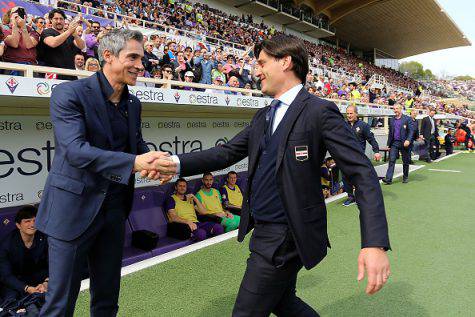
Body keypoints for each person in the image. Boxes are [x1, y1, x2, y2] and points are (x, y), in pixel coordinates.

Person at [150, 35, 391, 316]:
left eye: (262, 63)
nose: (256, 70)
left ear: (285, 61)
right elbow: (226, 153)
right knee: (283, 302)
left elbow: (362, 173)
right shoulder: (263, 116)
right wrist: (174, 162)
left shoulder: (319, 111)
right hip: (263, 231)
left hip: (287, 234)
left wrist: (374, 242)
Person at [35, 29, 173, 317]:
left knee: (107, 300)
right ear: (107, 56)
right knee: (59, 305)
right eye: (133, 57)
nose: (140, 64)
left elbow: (136, 144)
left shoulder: (133, 103)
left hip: (113, 211)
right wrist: (136, 162)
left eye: (142, 58)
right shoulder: (69, 93)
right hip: (72, 212)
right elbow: (75, 151)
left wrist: (156, 162)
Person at [0, 206, 48, 301]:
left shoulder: (45, 238)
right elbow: (6, 276)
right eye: (27, 221)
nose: (32, 224)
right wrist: (27, 288)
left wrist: (46, 283)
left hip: (41, 280)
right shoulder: (6, 245)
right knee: (11, 302)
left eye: (35, 220)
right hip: (16, 282)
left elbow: (53, 264)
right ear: (18, 225)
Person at [342, 105, 381, 206]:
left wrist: (376, 151)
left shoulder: (363, 125)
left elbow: (371, 139)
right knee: (345, 176)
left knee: (359, 177)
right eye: (348, 113)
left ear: (356, 113)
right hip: (345, 156)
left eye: (351, 113)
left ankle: (362, 195)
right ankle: (351, 197)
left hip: (358, 157)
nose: (349, 115)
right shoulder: (343, 125)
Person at [39, 9, 85, 78]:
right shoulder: (47, 32)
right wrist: (69, 31)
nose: (59, 21)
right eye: (56, 19)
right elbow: (53, 43)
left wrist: (75, 35)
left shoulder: (69, 34)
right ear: (51, 20)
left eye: (61, 19)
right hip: (52, 74)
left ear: (64, 20)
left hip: (70, 73)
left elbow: (82, 46)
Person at [382, 104, 415, 184]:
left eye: (397, 108)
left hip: (404, 143)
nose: (395, 110)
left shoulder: (407, 119)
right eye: (394, 109)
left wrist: (408, 140)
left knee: (405, 161)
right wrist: (388, 144)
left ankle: (405, 177)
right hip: (394, 143)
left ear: (401, 109)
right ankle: (388, 179)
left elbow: (411, 131)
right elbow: (391, 133)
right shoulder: (392, 119)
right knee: (392, 160)